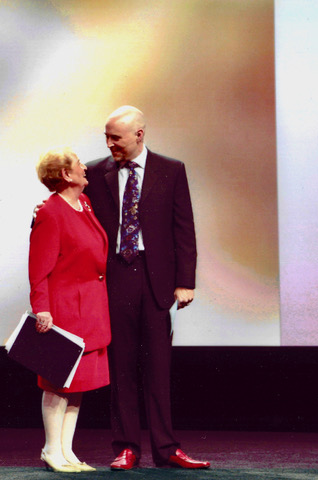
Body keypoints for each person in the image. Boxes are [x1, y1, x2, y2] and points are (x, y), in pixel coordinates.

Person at [82, 106, 210, 470]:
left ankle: (167, 448)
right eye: (106, 137)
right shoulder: (94, 172)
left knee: (158, 367)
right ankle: (126, 448)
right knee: (121, 366)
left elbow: (183, 228)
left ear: (139, 134)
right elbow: (73, 211)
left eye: (115, 138)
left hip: (156, 280)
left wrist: (186, 282)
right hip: (116, 276)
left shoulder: (171, 170)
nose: (109, 144)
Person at [29, 146, 111, 473]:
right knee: (59, 383)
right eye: (79, 165)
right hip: (64, 309)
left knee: (79, 386)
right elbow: (39, 268)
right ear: (65, 174)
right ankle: (51, 448)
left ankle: (66, 450)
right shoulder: (50, 211)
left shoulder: (84, 202)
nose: (85, 168)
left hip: (90, 307)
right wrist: (42, 309)